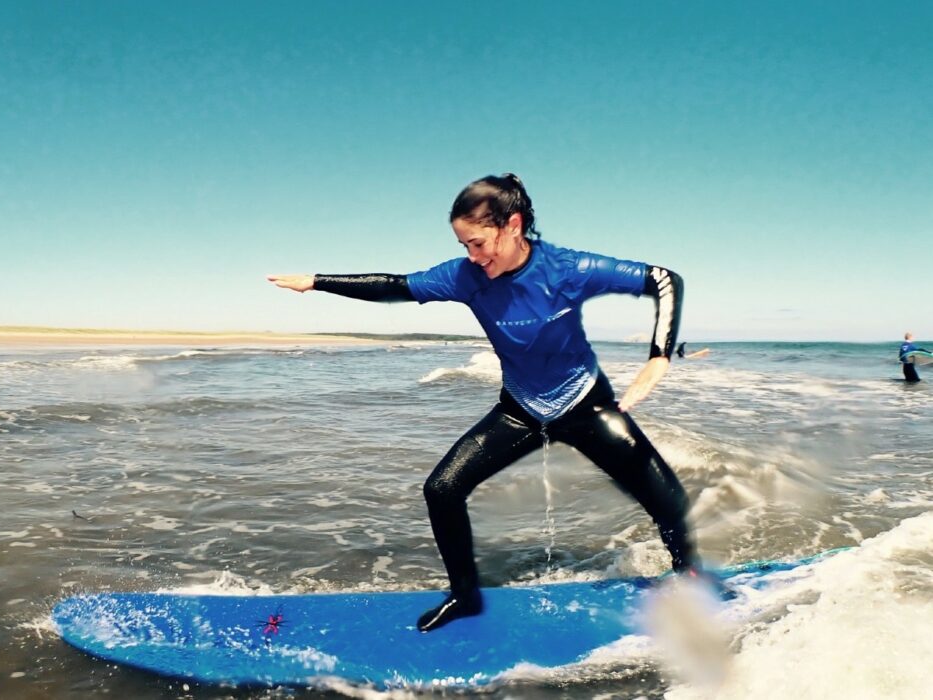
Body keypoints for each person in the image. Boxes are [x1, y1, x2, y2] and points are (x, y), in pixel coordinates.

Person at [268, 174, 700, 632]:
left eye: (477, 243)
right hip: (520, 408)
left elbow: (664, 279)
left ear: (512, 226)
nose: (473, 257)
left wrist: (659, 357)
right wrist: (316, 282)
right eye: (464, 246)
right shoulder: (466, 277)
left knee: (661, 492)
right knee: (441, 489)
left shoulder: (567, 267)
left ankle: (688, 575)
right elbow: (395, 286)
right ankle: (465, 597)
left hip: (584, 404)